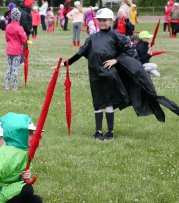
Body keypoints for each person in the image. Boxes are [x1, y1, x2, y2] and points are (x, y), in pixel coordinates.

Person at [62, 8, 179, 140]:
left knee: (109, 103)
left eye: (105, 20)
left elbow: (129, 49)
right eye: (99, 20)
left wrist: (116, 60)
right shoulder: (92, 38)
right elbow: (80, 53)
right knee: (97, 103)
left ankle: (110, 132)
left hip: (110, 75)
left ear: (111, 21)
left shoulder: (116, 36)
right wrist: (65, 64)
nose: (102, 23)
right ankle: (98, 131)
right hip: (95, 76)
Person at [4, 8, 27, 92]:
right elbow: (23, 40)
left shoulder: (8, 27)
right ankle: (14, 87)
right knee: (15, 68)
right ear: (19, 17)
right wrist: (25, 35)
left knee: (9, 67)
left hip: (9, 49)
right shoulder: (20, 28)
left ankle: (6, 85)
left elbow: (7, 38)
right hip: (17, 50)